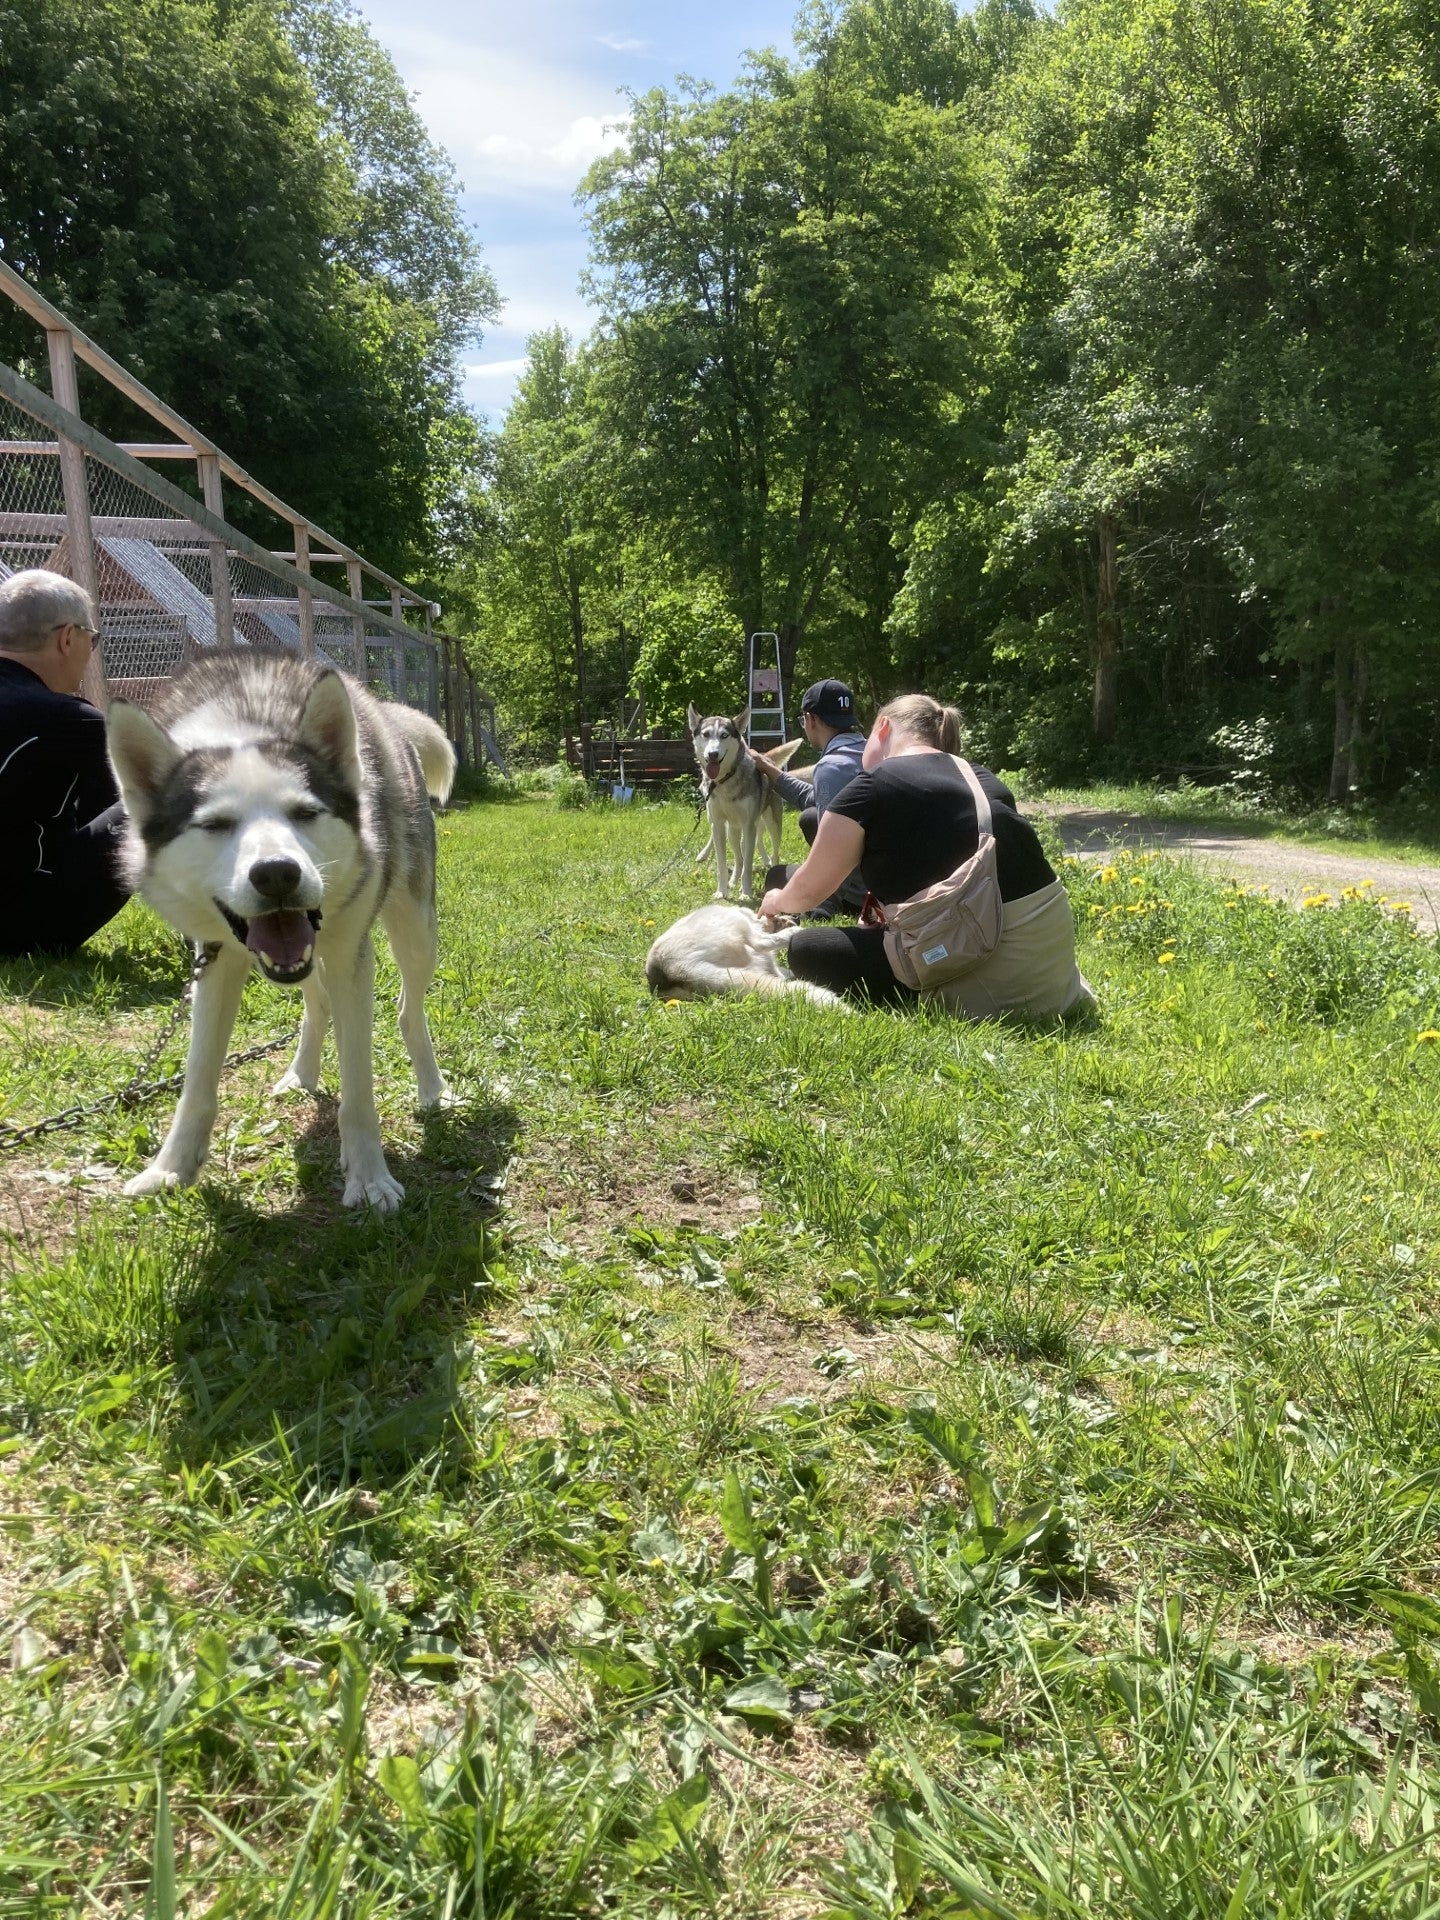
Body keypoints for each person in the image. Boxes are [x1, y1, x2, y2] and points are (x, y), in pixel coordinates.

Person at [758, 692, 1094, 1018]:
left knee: (807, 951)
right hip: (1053, 973)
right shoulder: (981, 778)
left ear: (884, 728)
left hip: (983, 968)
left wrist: (776, 901)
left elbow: (811, 890)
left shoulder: (871, 786)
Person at [0, 569, 132, 958]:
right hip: (19, 931)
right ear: (68, 637)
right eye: (94, 640)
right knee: (164, 795)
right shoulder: (70, 720)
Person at [753, 677, 867, 916]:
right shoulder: (866, 752)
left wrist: (815, 896)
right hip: (886, 874)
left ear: (810, 719)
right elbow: (814, 798)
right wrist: (772, 772)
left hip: (863, 892)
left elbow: (834, 846)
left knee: (777, 874)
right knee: (811, 815)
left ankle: (829, 903)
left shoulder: (831, 767)